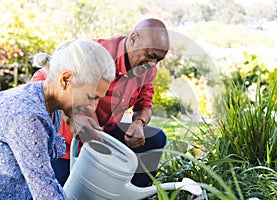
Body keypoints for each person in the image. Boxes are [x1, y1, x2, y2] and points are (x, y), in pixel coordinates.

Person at [33, 18, 170, 188]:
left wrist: (139, 123)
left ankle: (130, 195)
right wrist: (73, 115)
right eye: (151, 56)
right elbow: (44, 78)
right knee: (60, 190)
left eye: (158, 60)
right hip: (69, 144)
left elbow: (145, 104)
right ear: (134, 38)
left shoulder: (147, 70)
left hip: (104, 134)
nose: (153, 64)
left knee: (156, 139)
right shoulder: (96, 52)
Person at [0, 39, 115, 199]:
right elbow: (46, 194)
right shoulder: (27, 116)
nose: (94, 107)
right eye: (91, 97)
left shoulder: (46, 100)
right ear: (65, 80)